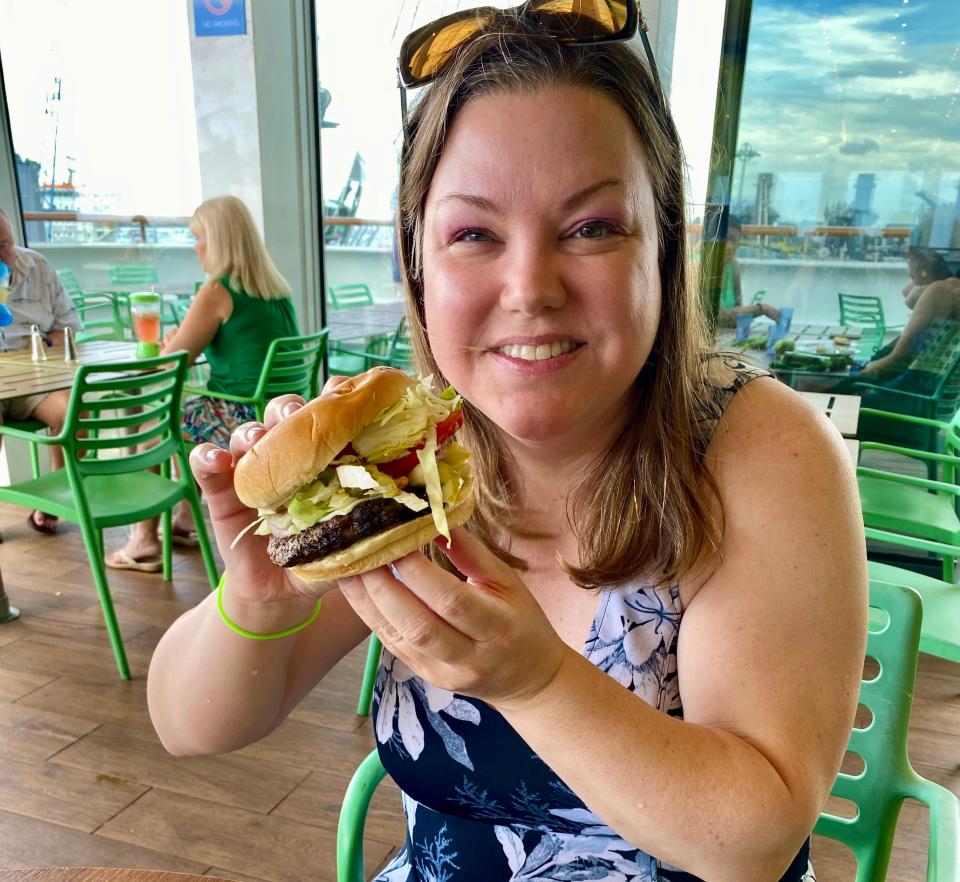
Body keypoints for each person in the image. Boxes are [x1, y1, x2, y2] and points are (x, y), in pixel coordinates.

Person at [148, 8, 866, 881]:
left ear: (665, 248)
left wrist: (537, 682)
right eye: (474, 234)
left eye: (592, 228)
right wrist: (256, 605)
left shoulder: (763, 448)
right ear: (416, 262)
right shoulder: (396, 459)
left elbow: (756, 837)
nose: (529, 289)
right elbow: (188, 727)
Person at [108, 195, 299, 572]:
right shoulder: (276, 291)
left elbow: (172, 359)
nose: (196, 248)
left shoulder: (217, 291)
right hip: (278, 411)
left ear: (218, 239)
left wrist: (169, 342)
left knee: (154, 430)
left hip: (239, 413)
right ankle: (182, 523)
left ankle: (143, 541)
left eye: (199, 238)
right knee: (191, 419)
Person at [0, 206, 81, 535]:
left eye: (4, 243)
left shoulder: (37, 266)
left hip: (32, 377)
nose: (2, 255)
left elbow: (67, 328)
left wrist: (47, 350)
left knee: (75, 411)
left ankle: (52, 499)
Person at [716, 215, 781, 328]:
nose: (730, 246)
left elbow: (738, 311)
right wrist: (761, 309)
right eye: (725, 239)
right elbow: (718, 318)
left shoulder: (733, 265)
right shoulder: (702, 266)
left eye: (734, 240)